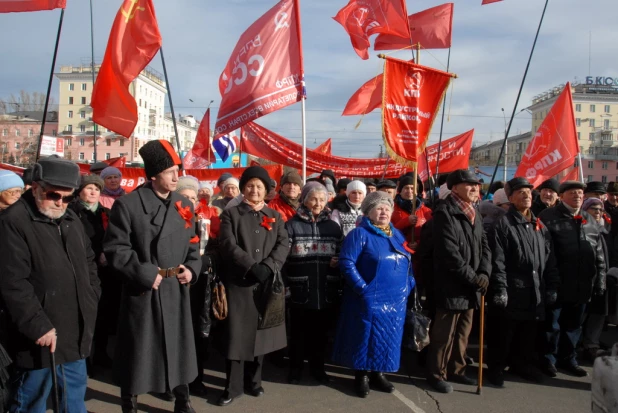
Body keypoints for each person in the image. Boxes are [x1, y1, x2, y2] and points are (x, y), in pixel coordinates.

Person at [103, 140, 202, 413]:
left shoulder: (184, 203)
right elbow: (116, 249)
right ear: (154, 174)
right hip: (144, 288)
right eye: (170, 171)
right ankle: (130, 402)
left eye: (177, 170)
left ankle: (183, 399)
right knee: (138, 351)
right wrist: (145, 273)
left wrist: (192, 269)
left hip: (175, 288)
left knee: (179, 347)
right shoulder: (128, 205)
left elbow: (193, 244)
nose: (176, 177)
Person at [0, 157, 101, 413]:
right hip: (39, 337)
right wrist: (38, 326)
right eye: (54, 195)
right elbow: (12, 282)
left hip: (74, 333)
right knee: (30, 402)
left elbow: (88, 261)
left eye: (68, 198)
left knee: (73, 403)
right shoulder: (13, 222)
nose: (60, 203)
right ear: (35, 188)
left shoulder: (71, 218)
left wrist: (91, 296)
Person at [216, 166, 289, 407]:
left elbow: (283, 243)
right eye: (250, 185)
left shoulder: (275, 215)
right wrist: (250, 265)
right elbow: (227, 243)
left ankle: (254, 381)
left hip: (266, 282)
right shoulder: (231, 213)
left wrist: (269, 266)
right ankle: (232, 386)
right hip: (240, 283)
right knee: (236, 335)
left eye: (259, 186)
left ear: (266, 190)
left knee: (262, 334)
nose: (254, 190)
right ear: (243, 188)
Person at [331, 191, 415, 398]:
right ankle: (362, 376)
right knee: (364, 338)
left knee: (388, 338)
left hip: (396, 300)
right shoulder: (359, 234)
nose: (384, 211)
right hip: (368, 298)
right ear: (368, 212)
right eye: (379, 207)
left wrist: (409, 284)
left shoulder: (396, 234)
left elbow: (407, 261)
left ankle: (379, 373)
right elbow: (347, 262)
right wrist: (362, 288)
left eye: (387, 207)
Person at [486, 177, 559, 387]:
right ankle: (496, 369)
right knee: (503, 333)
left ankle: (522, 365)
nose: (527, 196)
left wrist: (552, 285)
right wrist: (500, 288)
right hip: (512, 288)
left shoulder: (538, 225)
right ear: (510, 198)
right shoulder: (504, 225)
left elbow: (549, 259)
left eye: (529, 192)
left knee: (527, 334)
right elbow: (497, 260)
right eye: (521, 192)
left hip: (534, 290)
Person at [426, 169, 491, 394]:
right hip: (452, 284)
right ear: (455, 188)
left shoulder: (475, 212)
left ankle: (457, 369)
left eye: (477, 185)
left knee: (463, 331)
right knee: (445, 334)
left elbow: (485, 246)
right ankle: (437, 373)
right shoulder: (445, 213)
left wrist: (484, 273)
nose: (475, 188)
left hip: (473, 286)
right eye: (469, 185)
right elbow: (449, 253)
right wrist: (473, 278)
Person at [538, 181, 606, 378]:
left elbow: (598, 252)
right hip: (558, 282)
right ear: (562, 196)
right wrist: (550, 281)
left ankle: (569, 359)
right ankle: (548, 360)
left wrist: (599, 279)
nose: (577, 196)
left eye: (580, 193)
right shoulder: (548, 217)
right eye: (572, 192)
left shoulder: (589, 219)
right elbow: (545, 253)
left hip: (582, 283)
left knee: (574, 326)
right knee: (552, 325)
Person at [284, 182, 343, 385]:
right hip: (301, 289)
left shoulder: (333, 227)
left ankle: (318, 369)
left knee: (321, 334)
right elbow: (282, 259)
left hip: (327, 288)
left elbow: (342, 253)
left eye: (321, 199)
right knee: (298, 333)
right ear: (304, 200)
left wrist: (339, 260)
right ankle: (295, 369)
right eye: (313, 198)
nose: (317, 203)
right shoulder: (292, 225)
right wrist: (285, 285)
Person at [175, 175, 220, 397]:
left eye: (193, 197)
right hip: (173, 281)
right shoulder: (168, 218)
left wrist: (208, 260)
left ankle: (196, 378)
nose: (190, 201)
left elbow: (217, 245)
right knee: (175, 332)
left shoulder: (204, 219)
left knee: (199, 332)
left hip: (201, 281)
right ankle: (173, 382)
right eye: (185, 196)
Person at [68, 174, 118, 371]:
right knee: (86, 314)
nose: (93, 192)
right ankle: (84, 357)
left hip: (105, 271)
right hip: (83, 269)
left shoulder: (106, 213)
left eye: (97, 189)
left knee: (103, 314)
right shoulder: (72, 212)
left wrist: (108, 252)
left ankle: (102, 354)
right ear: (80, 191)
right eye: (89, 188)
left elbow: (115, 236)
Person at [581, 197, 615, 363]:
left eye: (600, 209)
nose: (598, 212)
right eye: (593, 209)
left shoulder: (606, 230)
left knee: (599, 314)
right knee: (583, 313)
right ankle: (579, 345)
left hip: (605, 278)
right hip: (586, 278)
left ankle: (591, 345)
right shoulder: (582, 228)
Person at [391, 175, 432, 249]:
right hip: (398, 250)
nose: (409, 191)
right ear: (400, 191)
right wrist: (406, 221)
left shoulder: (426, 211)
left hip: (421, 254)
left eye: (412, 188)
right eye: (406, 188)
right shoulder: (391, 210)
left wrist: (419, 243)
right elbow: (388, 231)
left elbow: (431, 234)